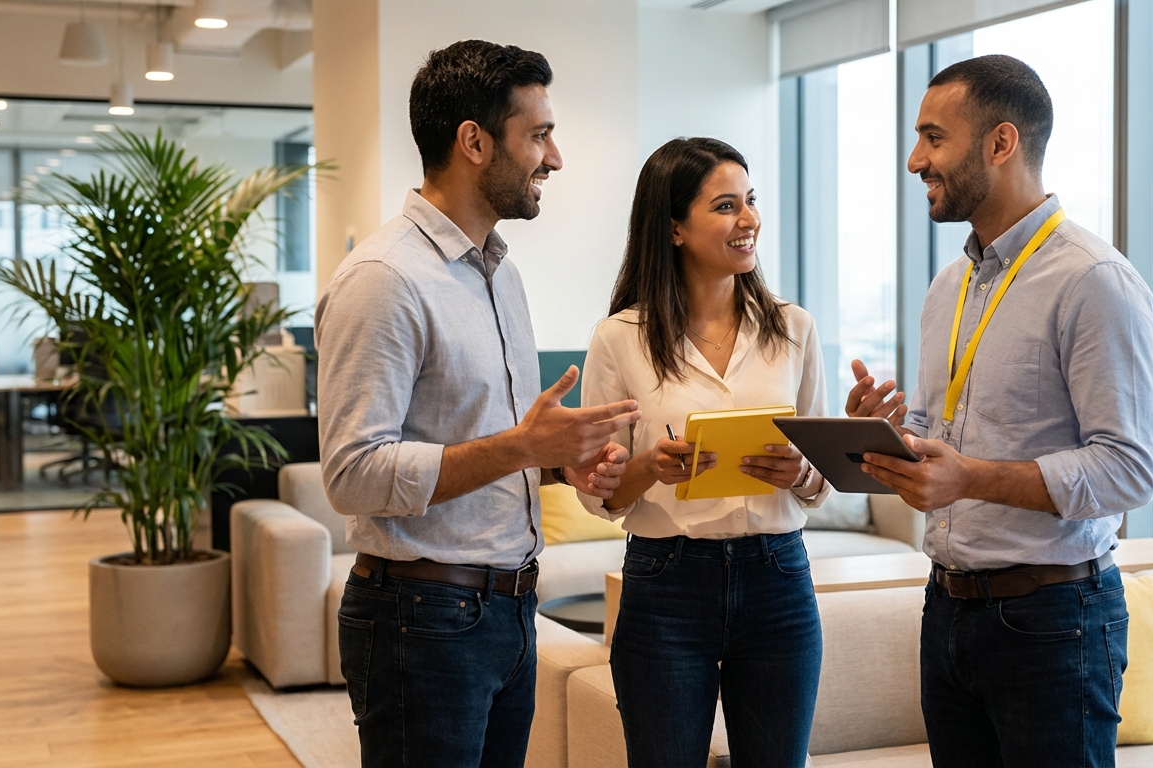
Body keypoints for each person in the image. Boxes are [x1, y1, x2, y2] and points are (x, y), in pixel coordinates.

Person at [315, 40, 642, 768]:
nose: (553, 158)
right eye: (538, 135)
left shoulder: (500, 274)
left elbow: (500, 441)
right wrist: (523, 449)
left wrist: (560, 466)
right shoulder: (382, 279)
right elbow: (351, 473)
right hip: (420, 621)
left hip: (508, 610)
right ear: (473, 141)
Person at [846, 55, 1153, 767]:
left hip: (1055, 622)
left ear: (1001, 143)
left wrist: (971, 478)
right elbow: (941, 438)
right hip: (948, 610)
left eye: (933, 137)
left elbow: (1129, 471)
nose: (914, 159)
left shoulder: (1093, 281)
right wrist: (890, 440)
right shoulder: (950, 283)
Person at [576, 138, 830, 768]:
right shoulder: (619, 338)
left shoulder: (793, 327)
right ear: (674, 228)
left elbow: (817, 476)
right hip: (666, 584)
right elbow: (597, 491)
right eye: (725, 206)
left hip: (778, 580)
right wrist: (647, 467)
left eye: (750, 201)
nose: (749, 220)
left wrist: (802, 470)